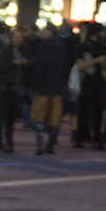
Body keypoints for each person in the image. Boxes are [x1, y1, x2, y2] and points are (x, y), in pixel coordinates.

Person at [29, 21, 69, 156]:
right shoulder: (61, 46)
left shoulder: (43, 45)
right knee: (55, 116)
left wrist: (35, 85)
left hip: (44, 87)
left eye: (43, 30)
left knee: (38, 115)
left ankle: (40, 144)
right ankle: (51, 143)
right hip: (57, 86)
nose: (40, 32)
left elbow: (41, 68)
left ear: (49, 31)